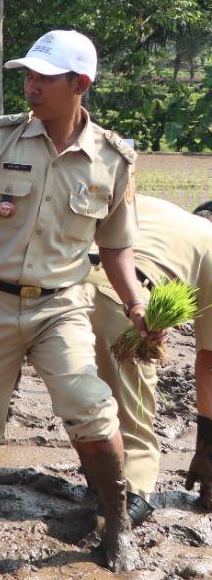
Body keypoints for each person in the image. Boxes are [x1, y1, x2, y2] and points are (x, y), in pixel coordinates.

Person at [0, 30, 148, 571]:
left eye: (43, 78)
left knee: (93, 409)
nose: (30, 87)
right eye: (27, 76)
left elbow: (117, 247)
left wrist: (136, 305)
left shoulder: (113, 160)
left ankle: (116, 523)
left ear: (79, 84)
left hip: (62, 307)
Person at [87, 196, 212, 526]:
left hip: (60, 289)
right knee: (135, 420)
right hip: (123, 303)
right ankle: (129, 495)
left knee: (80, 396)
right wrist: (208, 446)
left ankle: (95, 476)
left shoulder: (153, 205)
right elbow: (209, 361)